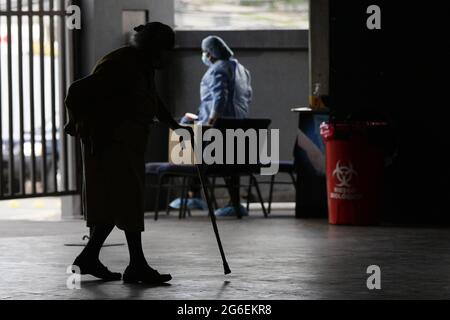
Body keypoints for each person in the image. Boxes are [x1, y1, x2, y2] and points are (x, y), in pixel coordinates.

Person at [65, 22, 193, 284]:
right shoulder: (120, 63)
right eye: (165, 51)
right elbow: (76, 91)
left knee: (120, 203)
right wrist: (77, 124)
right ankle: (135, 265)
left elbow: (152, 100)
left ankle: (91, 258)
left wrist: (174, 126)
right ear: (153, 48)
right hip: (110, 144)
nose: (168, 57)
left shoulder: (142, 65)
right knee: (125, 200)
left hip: (127, 144)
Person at [178, 35, 253, 217]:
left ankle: (193, 195)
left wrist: (209, 121)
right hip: (237, 127)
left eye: (205, 52)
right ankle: (234, 203)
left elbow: (219, 99)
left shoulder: (216, 70)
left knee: (187, 136)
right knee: (230, 163)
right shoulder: (242, 70)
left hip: (217, 129)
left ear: (210, 53)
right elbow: (245, 98)